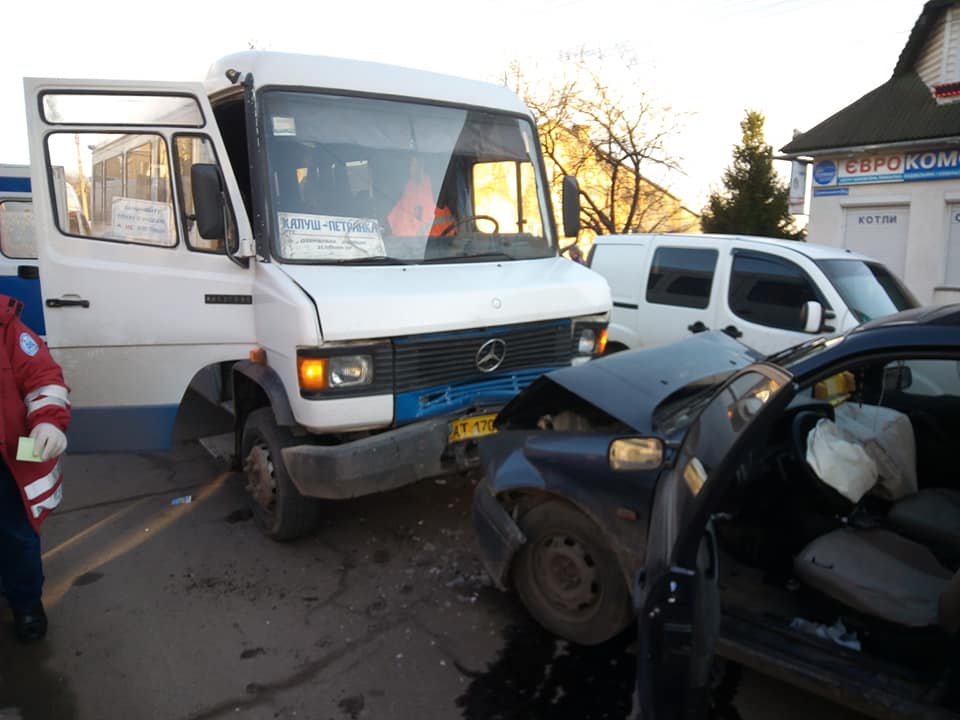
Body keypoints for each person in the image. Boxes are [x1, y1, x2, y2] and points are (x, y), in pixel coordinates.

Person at [0, 295, 70, 642]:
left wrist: (48, 422)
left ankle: (26, 604)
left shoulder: (6, 325)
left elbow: (42, 376)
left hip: (7, 462)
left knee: (17, 537)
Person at [387, 156, 456, 236]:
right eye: (409, 164)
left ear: (421, 163)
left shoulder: (436, 187)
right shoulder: (406, 190)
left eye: (411, 163)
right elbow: (392, 223)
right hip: (402, 246)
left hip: (437, 245)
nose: (409, 167)